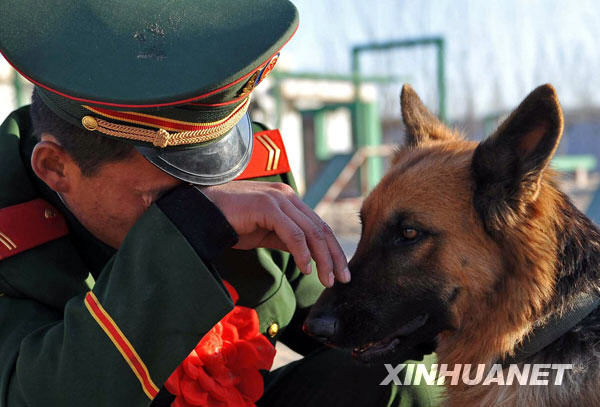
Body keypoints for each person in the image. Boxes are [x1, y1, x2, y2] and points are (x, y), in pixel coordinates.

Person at [0, 1, 441, 406]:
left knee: (406, 378)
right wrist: (188, 229)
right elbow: (43, 395)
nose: (211, 196)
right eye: (167, 198)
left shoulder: (244, 178)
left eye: (210, 176)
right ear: (55, 167)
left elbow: (336, 325)